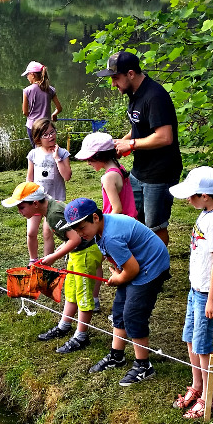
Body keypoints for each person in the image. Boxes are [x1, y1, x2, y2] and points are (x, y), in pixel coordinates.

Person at [59, 198, 171, 386]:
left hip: (150, 268)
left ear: (95, 217)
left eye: (81, 228)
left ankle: (144, 366)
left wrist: (119, 278)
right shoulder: (99, 229)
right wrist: (120, 270)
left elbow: (133, 270)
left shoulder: (111, 236)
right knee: (119, 311)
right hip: (135, 265)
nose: (79, 233)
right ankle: (116, 356)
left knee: (133, 316)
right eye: (75, 230)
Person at [2, 182, 101, 354]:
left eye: (21, 207)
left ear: (35, 203)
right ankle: (64, 325)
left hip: (85, 253)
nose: (20, 212)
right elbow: (70, 238)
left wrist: (53, 258)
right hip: (77, 254)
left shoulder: (54, 214)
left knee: (83, 295)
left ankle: (81, 336)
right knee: (71, 290)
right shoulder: (51, 210)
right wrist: (53, 254)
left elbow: (75, 240)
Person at [96, 51, 181, 245]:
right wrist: (121, 141)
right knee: (134, 219)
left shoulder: (155, 96)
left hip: (160, 173)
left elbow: (165, 137)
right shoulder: (134, 94)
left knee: (155, 226)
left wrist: (131, 144)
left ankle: (159, 270)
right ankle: (142, 262)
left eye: (116, 78)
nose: (113, 84)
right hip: (139, 171)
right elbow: (140, 126)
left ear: (131, 74)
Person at [168, 167, 213, 420]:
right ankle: (196, 385)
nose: (187, 199)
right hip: (197, 288)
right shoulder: (209, 213)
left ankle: (209, 396)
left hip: (207, 292)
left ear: (205, 195)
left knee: (203, 344)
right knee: (190, 337)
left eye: (192, 195)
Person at [76, 131, 138, 312]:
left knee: (122, 269)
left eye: (90, 158)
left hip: (116, 228)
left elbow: (116, 208)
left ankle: (124, 309)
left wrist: (100, 228)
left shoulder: (108, 177)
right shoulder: (118, 169)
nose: (88, 163)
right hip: (127, 223)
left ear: (99, 156)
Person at [24, 119, 72, 261]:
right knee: (31, 232)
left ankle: (47, 262)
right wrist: (27, 196)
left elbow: (67, 176)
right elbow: (29, 178)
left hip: (54, 200)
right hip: (35, 199)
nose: (51, 136)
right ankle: (33, 260)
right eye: (46, 134)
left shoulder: (62, 153)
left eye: (52, 132)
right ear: (38, 138)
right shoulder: (33, 154)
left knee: (47, 232)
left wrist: (57, 158)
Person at [22, 61, 62, 146]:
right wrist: (54, 114)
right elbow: (59, 108)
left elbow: (25, 112)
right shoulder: (50, 89)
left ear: (32, 75)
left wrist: (32, 116)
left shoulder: (27, 90)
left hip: (33, 126)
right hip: (47, 126)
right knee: (48, 149)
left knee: (37, 151)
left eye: (27, 75)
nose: (27, 77)